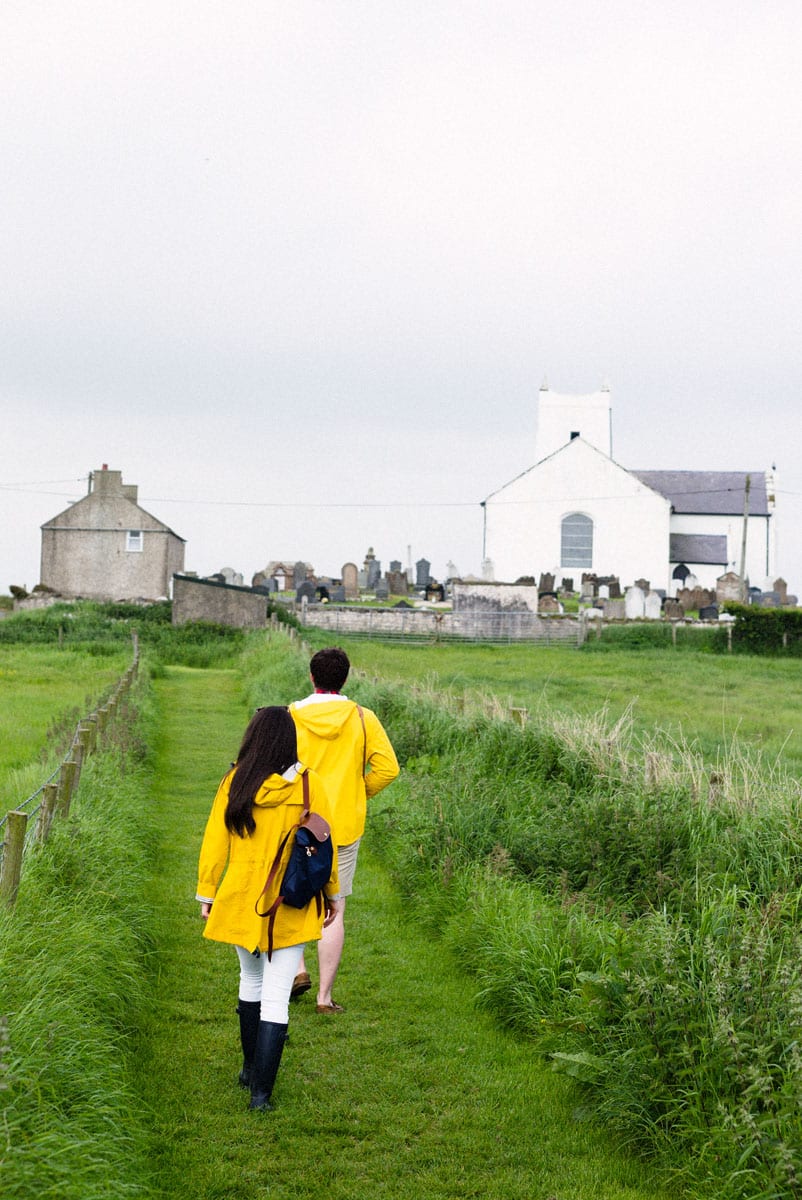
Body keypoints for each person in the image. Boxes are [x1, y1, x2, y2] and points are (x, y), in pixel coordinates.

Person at [196, 705, 341, 1111]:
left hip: (243, 897)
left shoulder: (234, 781)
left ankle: (249, 1071)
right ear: (290, 740)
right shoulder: (311, 786)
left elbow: (215, 841)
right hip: (291, 900)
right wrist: (330, 895)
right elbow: (323, 849)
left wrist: (208, 893)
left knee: (250, 980)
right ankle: (260, 1096)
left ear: (252, 738)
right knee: (277, 995)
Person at [289, 646, 399, 1013]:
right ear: (346, 678)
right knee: (335, 905)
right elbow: (388, 768)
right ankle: (324, 998)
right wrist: (357, 792)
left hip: (298, 821)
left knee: (295, 894)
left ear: (312, 677)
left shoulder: (291, 715)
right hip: (344, 826)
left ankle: (298, 970)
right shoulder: (363, 718)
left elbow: (280, 766)